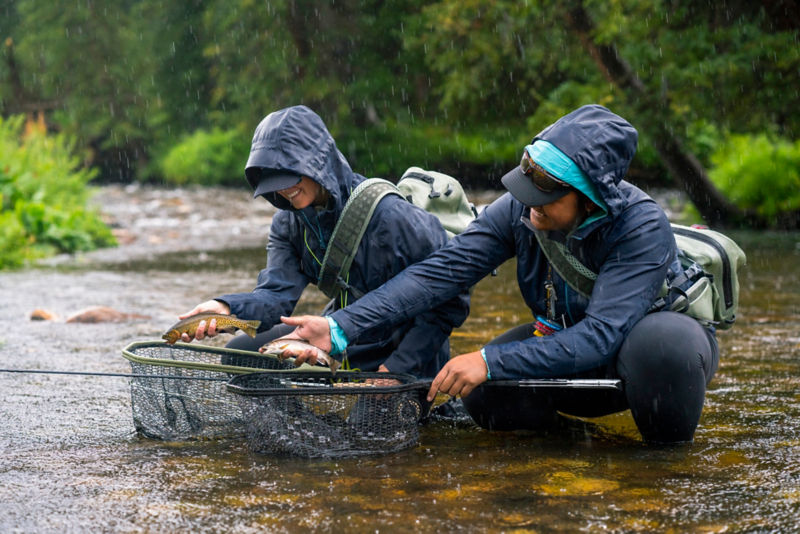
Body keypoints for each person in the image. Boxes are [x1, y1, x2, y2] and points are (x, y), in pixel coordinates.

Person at [280, 104, 719, 443]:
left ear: (589, 199)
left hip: (643, 358)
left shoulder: (641, 226)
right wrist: (338, 327)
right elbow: (439, 274)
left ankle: (664, 468)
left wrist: (489, 360)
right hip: (567, 348)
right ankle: (582, 444)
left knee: (662, 348)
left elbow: (601, 336)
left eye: (544, 198)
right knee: (483, 397)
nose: (530, 207)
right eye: (525, 193)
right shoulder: (519, 212)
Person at [177, 104, 470, 381]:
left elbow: (451, 299)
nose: (282, 188)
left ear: (317, 163)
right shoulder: (287, 224)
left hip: (405, 347)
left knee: (366, 434)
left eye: (289, 175)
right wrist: (226, 308)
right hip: (335, 337)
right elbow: (275, 298)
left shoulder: (392, 216)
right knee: (242, 357)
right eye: (273, 179)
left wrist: (396, 368)